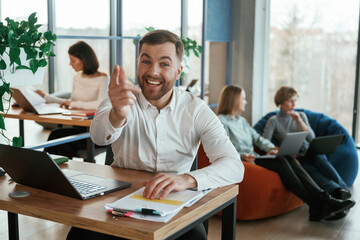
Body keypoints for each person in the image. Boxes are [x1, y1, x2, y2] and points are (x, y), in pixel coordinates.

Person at [65, 30, 244, 240]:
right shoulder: (119, 100)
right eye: (146, 61)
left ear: (178, 71)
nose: (153, 72)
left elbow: (234, 166)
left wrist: (187, 179)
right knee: (79, 236)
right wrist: (118, 114)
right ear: (138, 63)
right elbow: (98, 137)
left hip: (174, 205)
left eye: (164, 64)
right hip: (118, 204)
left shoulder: (196, 109)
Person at [217, 85, 355, 222]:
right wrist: (241, 156)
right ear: (234, 99)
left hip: (256, 157)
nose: (245, 102)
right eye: (243, 98)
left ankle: (322, 201)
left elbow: (258, 139)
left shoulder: (241, 121)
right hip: (245, 160)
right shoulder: (221, 121)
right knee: (283, 162)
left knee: (287, 157)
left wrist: (272, 149)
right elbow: (223, 147)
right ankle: (320, 203)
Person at [263, 86, 354, 219]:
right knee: (312, 172)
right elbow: (265, 141)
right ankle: (337, 194)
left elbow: (311, 138)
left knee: (322, 161)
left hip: (311, 151)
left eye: (295, 101)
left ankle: (342, 190)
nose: (294, 104)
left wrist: (299, 121)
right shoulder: (273, 121)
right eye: (290, 101)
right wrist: (279, 150)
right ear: (281, 102)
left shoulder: (302, 116)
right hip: (297, 156)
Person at [37, 41, 109, 160]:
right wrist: (45, 96)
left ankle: (49, 171)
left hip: (96, 131)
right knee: (56, 136)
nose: (70, 64)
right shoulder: (77, 77)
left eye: (73, 60)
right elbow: (72, 101)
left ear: (84, 60)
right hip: (79, 125)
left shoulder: (103, 78)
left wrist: (72, 104)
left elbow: (99, 104)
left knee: (59, 140)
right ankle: (46, 170)